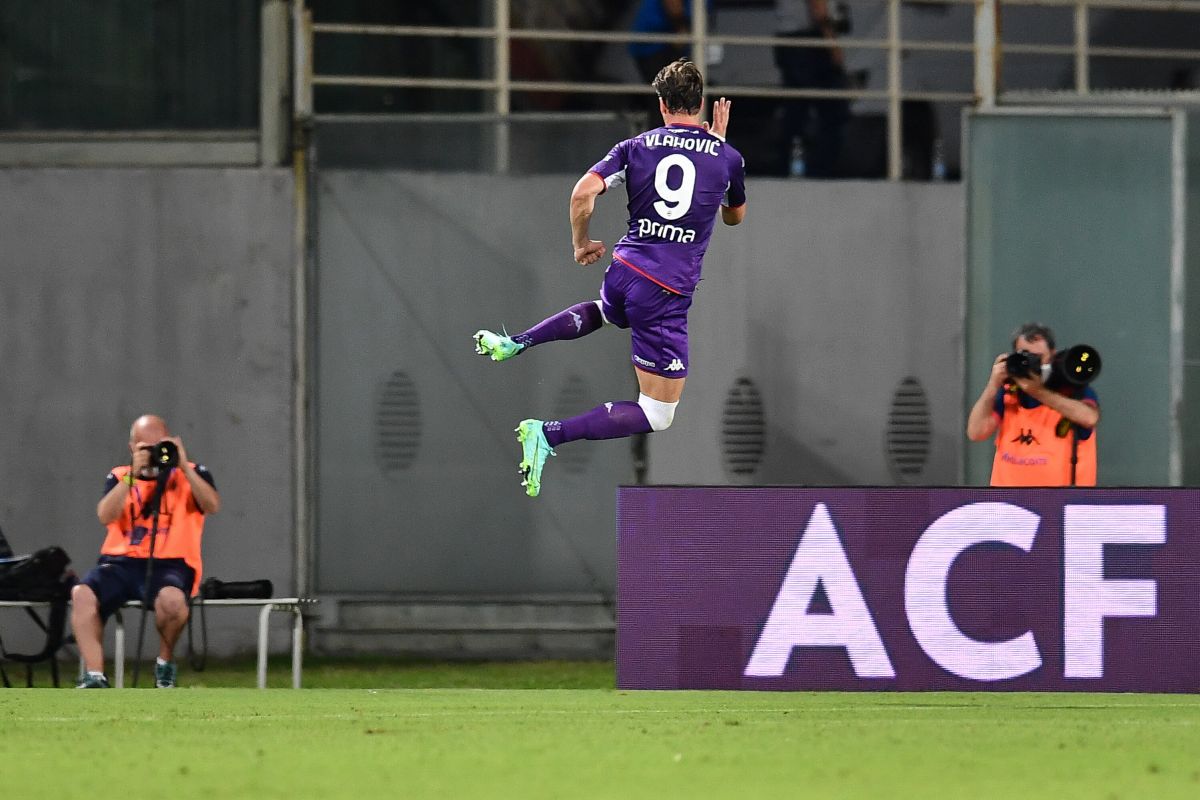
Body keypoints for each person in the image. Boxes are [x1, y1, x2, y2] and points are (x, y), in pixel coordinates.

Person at [473, 58, 746, 497]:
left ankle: (516, 342)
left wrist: (581, 243)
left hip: (624, 270)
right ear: (701, 104)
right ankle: (548, 433)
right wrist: (716, 148)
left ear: (661, 105)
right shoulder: (727, 157)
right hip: (665, 291)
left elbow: (583, 192)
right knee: (658, 414)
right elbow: (734, 216)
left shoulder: (634, 147)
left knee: (605, 312)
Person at [71, 414, 220, 687]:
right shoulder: (120, 476)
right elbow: (105, 516)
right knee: (81, 594)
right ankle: (94, 674)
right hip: (120, 562)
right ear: (132, 448)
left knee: (173, 602)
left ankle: (164, 664)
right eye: (145, 448)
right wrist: (132, 475)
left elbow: (211, 505)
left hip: (172, 563)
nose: (153, 454)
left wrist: (182, 465)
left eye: (159, 446)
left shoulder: (193, 473)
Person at [966, 323, 1101, 486]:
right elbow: (976, 432)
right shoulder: (1009, 393)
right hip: (1007, 505)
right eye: (1026, 356)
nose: (1032, 363)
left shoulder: (1073, 391)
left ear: (1052, 355)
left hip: (1059, 505)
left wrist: (1038, 391)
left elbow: (1089, 417)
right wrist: (993, 385)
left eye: (1038, 357)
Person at [774, 0, 851, 178]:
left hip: (791, 40)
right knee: (832, 111)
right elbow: (818, 9)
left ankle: (784, 166)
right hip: (808, 41)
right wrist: (832, 45)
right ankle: (819, 170)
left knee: (796, 109)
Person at [629, 0, 712, 84]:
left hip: (662, 41)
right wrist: (682, 30)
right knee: (670, 87)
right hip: (655, 43)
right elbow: (674, 7)